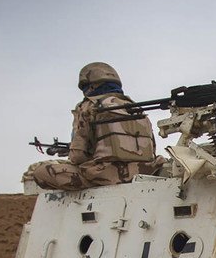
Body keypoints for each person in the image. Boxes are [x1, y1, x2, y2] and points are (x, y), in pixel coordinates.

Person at [25, 62, 161, 190]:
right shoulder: (136, 109)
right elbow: (151, 150)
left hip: (103, 176)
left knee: (40, 172)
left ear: (90, 85)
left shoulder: (88, 106)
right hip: (143, 171)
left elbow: (78, 157)